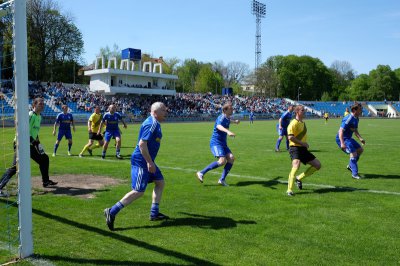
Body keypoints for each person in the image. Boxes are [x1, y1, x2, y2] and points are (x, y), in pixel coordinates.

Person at [103, 102, 169, 231]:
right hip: (141, 161)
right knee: (138, 191)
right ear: (155, 112)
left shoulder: (155, 122)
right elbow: (142, 144)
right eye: (163, 111)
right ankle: (111, 211)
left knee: (160, 183)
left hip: (148, 160)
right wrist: (149, 162)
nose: (165, 112)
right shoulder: (152, 124)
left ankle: (154, 213)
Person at [0, 98, 57, 196]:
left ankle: (46, 181)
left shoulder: (39, 116)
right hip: (21, 143)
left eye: (43, 104)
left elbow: (34, 132)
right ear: (34, 105)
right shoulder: (30, 115)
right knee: (15, 167)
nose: (42, 105)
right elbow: (24, 130)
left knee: (44, 159)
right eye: (40, 104)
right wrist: (33, 142)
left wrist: (37, 143)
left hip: (30, 144)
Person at [196, 102, 240, 186]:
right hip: (216, 143)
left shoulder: (227, 117)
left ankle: (222, 180)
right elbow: (219, 126)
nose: (232, 109)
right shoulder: (221, 117)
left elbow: (228, 120)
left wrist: (235, 121)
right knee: (222, 161)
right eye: (230, 108)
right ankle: (201, 173)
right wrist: (228, 132)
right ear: (225, 110)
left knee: (231, 158)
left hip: (223, 143)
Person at [287, 105, 321, 196]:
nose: (304, 111)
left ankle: (299, 178)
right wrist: (302, 143)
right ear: (297, 112)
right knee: (296, 165)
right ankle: (289, 190)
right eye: (302, 110)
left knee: (317, 165)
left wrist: (303, 145)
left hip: (303, 149)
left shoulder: (303, 123)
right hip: (295, 148)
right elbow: (290, 137)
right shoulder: (293, 123)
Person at [336, 102, 365, 179]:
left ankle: (350, 165)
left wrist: (360, 138)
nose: (361, 111)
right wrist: (342, 143)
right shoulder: (348, 118)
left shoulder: (357, 119)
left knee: (360, 150)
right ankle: (354, 174)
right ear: (355, 110)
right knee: (353, 153)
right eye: (360, 109)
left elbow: (354, 130)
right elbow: (341, 131)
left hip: (348, 138)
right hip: (342, 138)